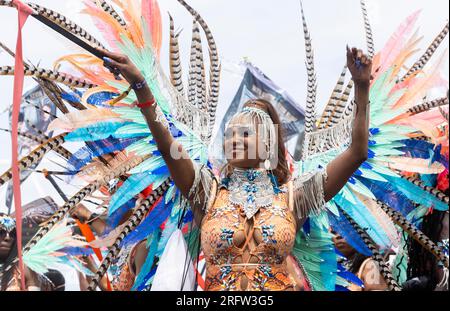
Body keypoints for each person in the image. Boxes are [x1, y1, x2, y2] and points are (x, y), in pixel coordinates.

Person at [98, 45, 372, 291]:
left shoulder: (294, 197)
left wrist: (361, 87)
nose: (234, 140)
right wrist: (140, 85)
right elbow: (165, 141)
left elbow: (357, 153)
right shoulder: (207, 192)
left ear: (267, 143)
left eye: (245, 134)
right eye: (230, 134)